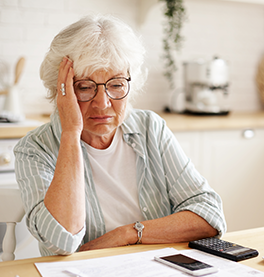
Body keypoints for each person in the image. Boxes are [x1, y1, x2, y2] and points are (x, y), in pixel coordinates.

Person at [14, 14, 226, 257]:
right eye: (84, 87)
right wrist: (71, 133)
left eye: (115, 84)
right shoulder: (34, 148)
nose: (102, 103)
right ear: (60, 90)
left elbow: (209, 216)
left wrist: (128, 234)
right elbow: (60, 242)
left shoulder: (150, 128)